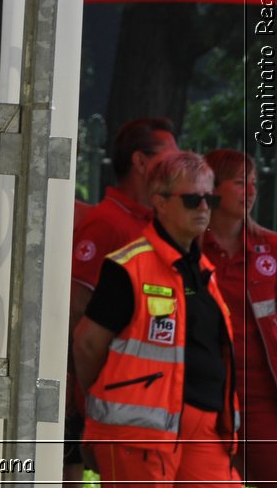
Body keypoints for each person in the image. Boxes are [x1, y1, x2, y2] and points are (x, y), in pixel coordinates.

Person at [75, 150, 240, 485]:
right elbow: (87, 345)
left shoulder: (202, 270)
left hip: (204, 429)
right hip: (140, 435)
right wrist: (115, 399)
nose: (205, 208)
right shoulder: (128, 267)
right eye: (193, 199)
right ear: (160, 202)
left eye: (210, 198)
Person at [65, 116, 178, 477]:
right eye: (167, 157)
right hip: (105, 395)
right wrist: (80, 388)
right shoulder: (109, 222)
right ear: (140, 162)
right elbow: (74, 307)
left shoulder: (147, 224)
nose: (175, 166)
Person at [203, 149, 277, 488]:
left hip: (262, 394)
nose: (250, 191)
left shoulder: (274, 248)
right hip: (204, 394)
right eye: (239, 183)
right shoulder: (189, 247)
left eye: (253, 183)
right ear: (212, 188)